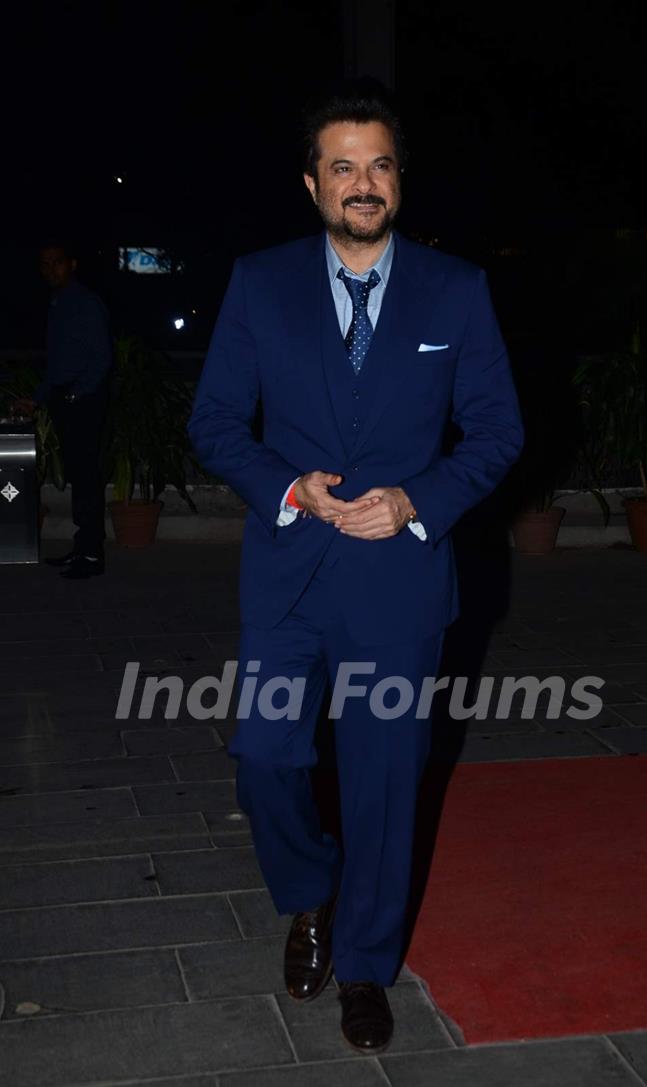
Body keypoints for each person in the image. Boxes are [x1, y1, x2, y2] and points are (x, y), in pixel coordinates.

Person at [189, 85, 523, 1053]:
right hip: (291, 569)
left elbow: (500, 431)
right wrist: (290, 486)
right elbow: (214, 421)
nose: (362, 183)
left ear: (399, 179)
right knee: (264, 760)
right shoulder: (259, 283)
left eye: (378, 164)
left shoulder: (455, 290)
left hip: (398, 580)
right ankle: (310, 896)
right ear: (312, 183)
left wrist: (416, 498)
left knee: (384, 780)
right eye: (342, 165)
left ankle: (368, 965)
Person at [15, 243, 113, 578]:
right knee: (79, 475)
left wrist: (76, 395)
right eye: (45, 264)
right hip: (64, 397)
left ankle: (91, 556)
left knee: (86, 476)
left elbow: (101, 358)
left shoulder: (85, 302)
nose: (51, 270)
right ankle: (82, 548)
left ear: (72, 264)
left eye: (57, 263)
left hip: (82, 402)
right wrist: (40, 398)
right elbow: (58, 362)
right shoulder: (58, 303)